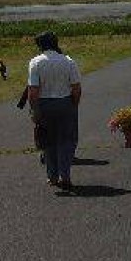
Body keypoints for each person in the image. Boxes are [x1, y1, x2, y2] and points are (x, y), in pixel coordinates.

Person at [27, 31, 82, 189]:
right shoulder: (69, 61)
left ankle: (52, 176)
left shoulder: (35, 62)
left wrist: (34, 110)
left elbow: (33, 90)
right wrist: (73, 105)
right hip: (65, 103)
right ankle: (65, 175)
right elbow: (76, 87)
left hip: (45, 105)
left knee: (48, 141)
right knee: (66, 140)